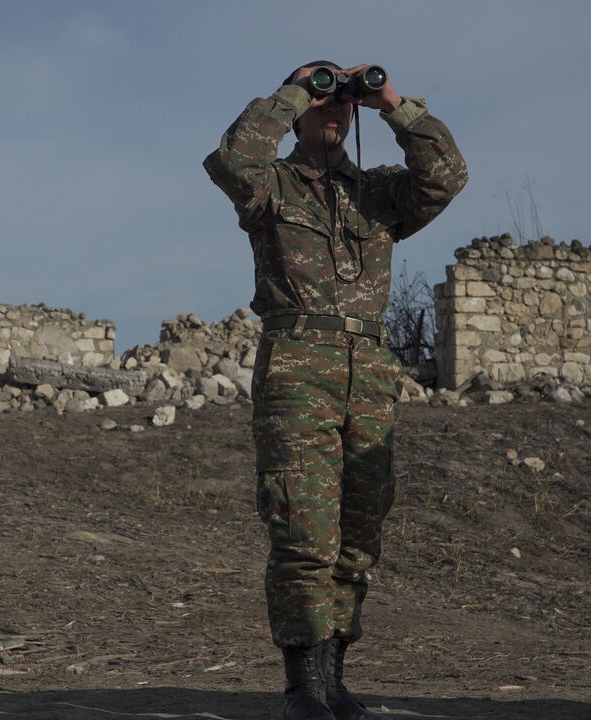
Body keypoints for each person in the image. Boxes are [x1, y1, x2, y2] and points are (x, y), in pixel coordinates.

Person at [203, 61, 467, 720]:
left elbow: (446, 175)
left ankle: (333, 677)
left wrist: (391, 103)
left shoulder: (378, 193)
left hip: (370, 373)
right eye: (323, 100)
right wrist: (296, 88)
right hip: (298, 366)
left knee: (359, 534)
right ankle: (302, 687)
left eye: (341, 102)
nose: (333, 109)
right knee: (303, 530)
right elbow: (232, 160)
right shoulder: (273, 186)